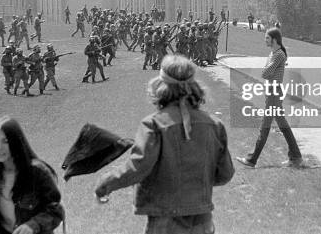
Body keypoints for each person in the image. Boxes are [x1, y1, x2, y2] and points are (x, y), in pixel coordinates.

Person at [95, 54, 234, 234]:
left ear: (160, 86)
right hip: (203, 218)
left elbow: (138, 168)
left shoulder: (154, 124)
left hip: (165, 219)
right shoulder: (215, 125)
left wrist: (104, 184)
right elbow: (225, 174)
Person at [236, 27, 303, 168]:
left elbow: (265, 73)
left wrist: (266, 71)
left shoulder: (279, 55)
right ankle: (296, 156)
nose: (264, 40)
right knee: (283, 126)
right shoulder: (272, 53)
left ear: (275, 39)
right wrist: (267, 71)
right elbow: (267, 72)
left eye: (267, 37)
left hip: (273, 93)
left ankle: (251, 160)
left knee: (265, 128)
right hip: (272, 92)